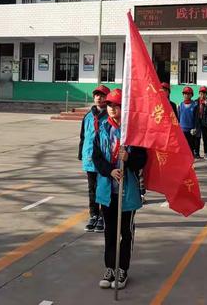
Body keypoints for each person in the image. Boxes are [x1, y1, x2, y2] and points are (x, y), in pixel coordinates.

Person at [92, 89, 147, 290]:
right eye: (109, 105)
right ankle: (110, 268)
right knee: (109, 232)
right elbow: (96, 158)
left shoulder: (133, 133)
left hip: (127, 192)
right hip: (107, 191)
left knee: (125, 232)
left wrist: (128, 159)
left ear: (124, 109)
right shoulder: (102, 129)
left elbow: (142, 160)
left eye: (116, 106)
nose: (112, 109)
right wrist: (110, 171)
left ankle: (122, 269)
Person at [78, 84, 110, 233]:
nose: (99, 98)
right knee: (92, 189)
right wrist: (81, 154)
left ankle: (104, 217)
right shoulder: (88, 116)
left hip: (104, 159)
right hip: (90, 158)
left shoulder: (110, 116)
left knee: (103, 188)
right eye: (97, 95)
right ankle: (93, 215)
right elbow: (83, 136)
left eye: (102, 95)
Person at [178, 86, 200, 158]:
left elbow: (196, 118)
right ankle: (184, 162)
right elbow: (178, 117)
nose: (186, 95)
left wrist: (195, 128)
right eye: (185, 93)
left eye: (188, 94)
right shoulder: (180, 105)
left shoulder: (195, 105)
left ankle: (191, 163)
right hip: (182, 130)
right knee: (183, 147)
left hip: (191, 130)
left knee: (190, 147)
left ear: (191, 95)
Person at [197, 86, 207, 160]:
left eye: (204, 93)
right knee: (197, 137)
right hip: (198, 122)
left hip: (205, 123)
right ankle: (196, 152)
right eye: (201, 93)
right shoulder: (196, 101)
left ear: (206, 94)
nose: (202, 95)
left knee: (205, 138)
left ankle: (206, 153)